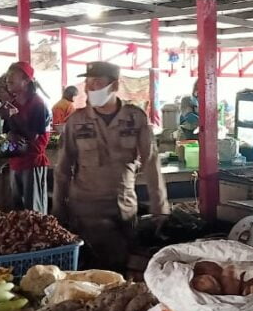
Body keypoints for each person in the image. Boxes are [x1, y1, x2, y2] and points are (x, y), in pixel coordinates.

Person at [53, 61, 169, 270]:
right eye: (88, 83)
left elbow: (151, 163)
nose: (91, 88)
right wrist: (58, 211)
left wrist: (160, 207)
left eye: (97, 83)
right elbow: (62, 169)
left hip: (124, 210)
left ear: (114, 86)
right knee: (97, 269)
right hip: (86, 211)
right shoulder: (76, 122)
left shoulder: (135, 118)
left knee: (124, 269)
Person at [0, 61, 51, 213]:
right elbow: (7, 131)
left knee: (33, 211)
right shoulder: (13, 103)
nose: (8, 79)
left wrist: (12, 114)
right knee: (17, 209)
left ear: (26, 81)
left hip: (32, 162)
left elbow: (32, 135)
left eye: (12, 76)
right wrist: (10, 133)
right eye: (7, 76)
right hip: (16, 161)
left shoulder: (38, 103)